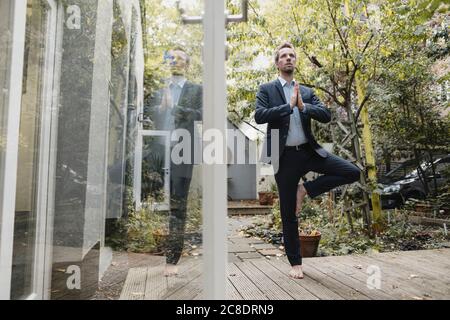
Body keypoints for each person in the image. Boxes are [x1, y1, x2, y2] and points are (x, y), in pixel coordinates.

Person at [254, 42, 360, 279]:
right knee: (288, 212)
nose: (288, 58)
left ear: (296, 61)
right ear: (277, 62)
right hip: (283, 156)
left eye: (292, 55)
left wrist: (303, 106)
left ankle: (306, 189)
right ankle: (295, 263)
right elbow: (259, 116)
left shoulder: (307, 91)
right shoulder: (267, 89)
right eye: (283, 56)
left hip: (309, 151)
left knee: (352, 172)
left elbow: (325, 115)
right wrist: (287, 106)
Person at [144, 47, 202, 276]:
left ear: (187, 64)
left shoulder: (196, 89)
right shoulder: (158, 91)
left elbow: (202, 113)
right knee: (149, 194)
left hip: (182, 151)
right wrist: (159, 108)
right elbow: (145, 114)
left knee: (178, 204)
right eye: (171, 58)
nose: (175, 61)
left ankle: (172, 259)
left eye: (180, 58)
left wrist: (174, 108)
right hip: (157, 151)